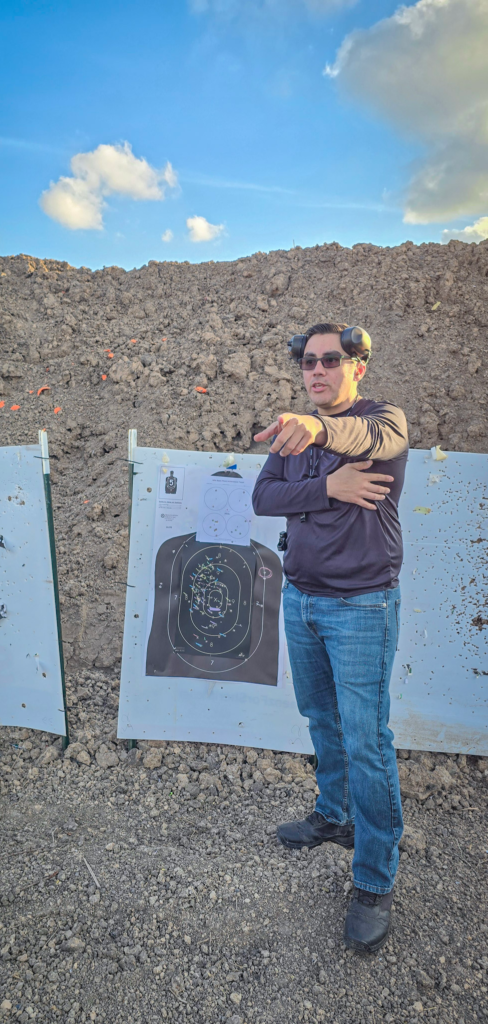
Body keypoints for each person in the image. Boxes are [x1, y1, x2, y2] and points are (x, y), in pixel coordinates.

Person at [252, 322, 408, 953]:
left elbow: (369, 439)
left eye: (331, 361)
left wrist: (319, 432)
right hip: (302, 599)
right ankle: (336, 815)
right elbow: (264, 497)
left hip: (363, 606)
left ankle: (374, 878)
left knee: (367, 740)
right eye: (308, 362)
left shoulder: (384, 420)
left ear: (358, 366)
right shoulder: (293, 433)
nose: (316, 370)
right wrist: (328, 488)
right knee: (321, 718)